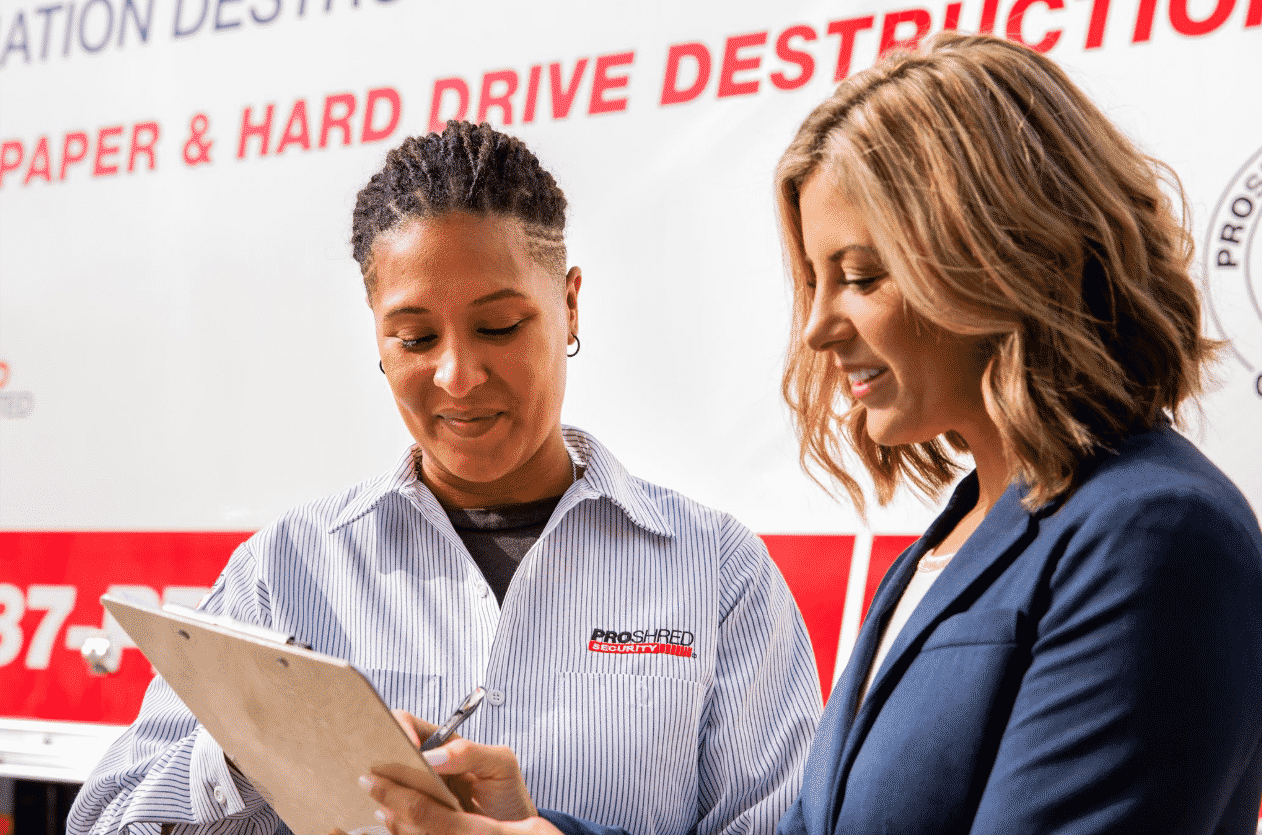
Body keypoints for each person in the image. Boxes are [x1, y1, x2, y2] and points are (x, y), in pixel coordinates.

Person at [358, 33, 1262, 835]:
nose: (821, 329)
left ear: (1005, 255)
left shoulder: (1153, 535)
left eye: (862, 276)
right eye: (813, 284)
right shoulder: (955, 538)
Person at [66, 121, 822, 835]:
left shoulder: (716, 572)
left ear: (569, 304)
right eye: (416, 336)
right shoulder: (284, 572)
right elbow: (103, 819)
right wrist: (261, 740)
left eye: (499, 325)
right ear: (378, 342)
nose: (458, 375)